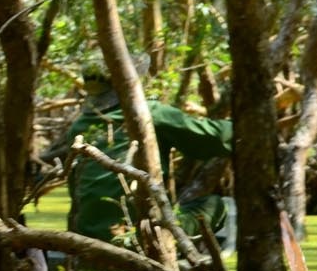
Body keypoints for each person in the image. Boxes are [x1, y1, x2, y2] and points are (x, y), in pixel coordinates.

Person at [46, 66, 233, 249]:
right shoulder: (150, 112)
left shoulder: (79, 127)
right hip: (143, 238)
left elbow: (76, 191)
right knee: (215, 204)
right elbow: (215, 139)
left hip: (88, 238)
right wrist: (242, 124)